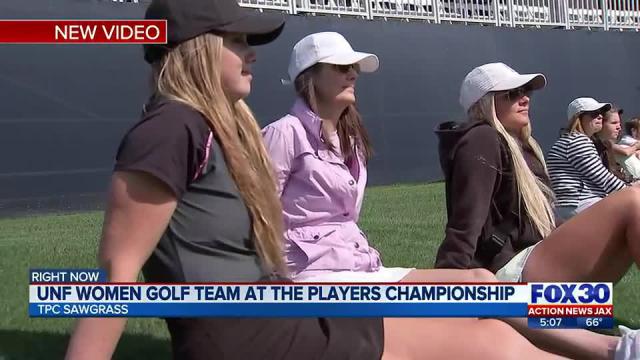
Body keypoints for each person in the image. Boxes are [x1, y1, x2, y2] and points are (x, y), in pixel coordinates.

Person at [64, 3, 568, 359]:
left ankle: (612, 347)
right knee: (486, 340)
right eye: (237, 40)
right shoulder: (173, 128)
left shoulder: (211, 129)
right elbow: (117, 276)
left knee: (481, 314)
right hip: (268, 325)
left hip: (285, 309)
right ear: (196, 48)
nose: (252, 52)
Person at [433, 62, 640, 359]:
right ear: (486, 102)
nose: (525, 97)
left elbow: (546, 225)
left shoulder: (523, 146)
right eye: (513, 92)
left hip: (533, 275)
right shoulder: (482, 138)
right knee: (633, 201)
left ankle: (558, 332)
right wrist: (447, 291)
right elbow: (465, 225)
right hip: (509, 280)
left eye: (526, 90)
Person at [262, 31, 414, 283]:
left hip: (358, 266)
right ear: (309, 76)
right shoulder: (283, 133)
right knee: (474, 309)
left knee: (478, 278)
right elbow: (258, 215)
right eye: (341, 67)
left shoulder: (352, 142)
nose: (353, 74)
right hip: (311, 275)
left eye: (353, 67)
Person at [547, 97, 628, 220]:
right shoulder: (578, 141)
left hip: (573, 205)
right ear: (578, 118)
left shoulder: (570, 140)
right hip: (579, 203)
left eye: (600, 113)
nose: (600, 116)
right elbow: (603, 179)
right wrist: (632, 192)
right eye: (594, 114)